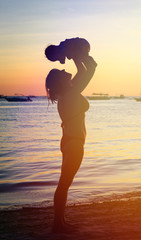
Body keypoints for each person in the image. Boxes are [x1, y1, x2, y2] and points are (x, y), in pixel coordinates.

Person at [45, 47, 97, 233]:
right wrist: (75, 54)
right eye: (62, 72)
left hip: (70, 141)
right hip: (74, 143)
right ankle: (58, 224)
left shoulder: (69, 92)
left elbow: (84, 71)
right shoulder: (70, 93)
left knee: (64, 183)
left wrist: (76, 54)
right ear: (60, 81)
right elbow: (89, 70)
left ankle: (60, 222)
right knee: (64, 183)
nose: (66, 71)